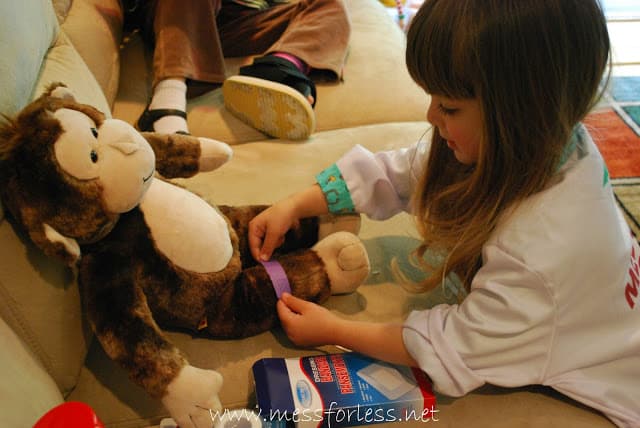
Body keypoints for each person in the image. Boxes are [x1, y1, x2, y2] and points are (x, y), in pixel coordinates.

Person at [247, 0, 640, 426]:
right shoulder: (546, 143)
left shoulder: (541, 255)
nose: (431, 115)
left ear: (523, 115)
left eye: (449, 108)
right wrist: (295, 205)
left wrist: (335, 330)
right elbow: (397, 173)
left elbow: (453, 348)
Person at [123, 0, 350, 139]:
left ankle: (280, 67)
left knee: (330, 5)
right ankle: (166, 102)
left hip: (243, 21)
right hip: (179, 14)